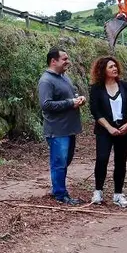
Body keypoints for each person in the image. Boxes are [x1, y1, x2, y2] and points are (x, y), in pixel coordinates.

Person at [38, 47, 86, 205]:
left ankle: (58, 189)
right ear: (53, 61)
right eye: (64, 59)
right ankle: (60, 194)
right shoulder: (46, 80)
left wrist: (78, 99)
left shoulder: (64, 77)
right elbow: (46, 105)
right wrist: (70, 103)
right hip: (57, 130)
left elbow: (68, 97)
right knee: (59, 162)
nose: (68, 61)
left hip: (68, 128)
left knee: (65, 161)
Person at [88, 56, 127, 208]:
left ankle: (118, 193)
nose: (114, 68)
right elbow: (95, 111)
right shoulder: (96, 88)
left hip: (124, 129)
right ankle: (98, 191)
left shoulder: (124, 86)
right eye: (110, 67)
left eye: (115, 66)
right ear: (103, 70)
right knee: (102, 158)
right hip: (104, 130)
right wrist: (109, 128)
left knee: (121, 161)